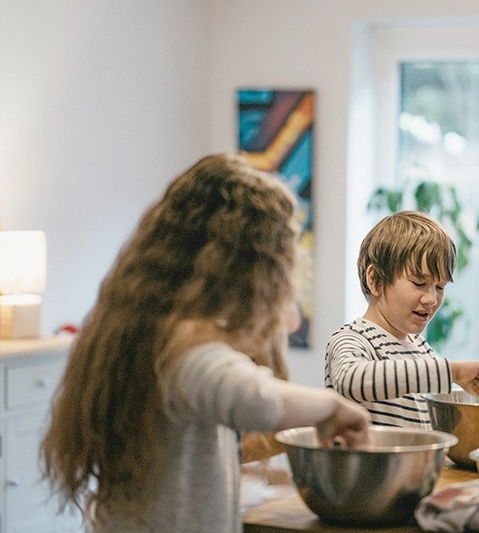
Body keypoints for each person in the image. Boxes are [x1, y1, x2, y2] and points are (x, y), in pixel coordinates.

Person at [41, 154, 370, 533]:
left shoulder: (142, 326)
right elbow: (254, 399)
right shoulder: (183, 348)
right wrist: (332, 407)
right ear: (245, 269)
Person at [325, 210, 479, 429]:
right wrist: (453, 371)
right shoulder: (352, 339)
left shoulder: (421, 347)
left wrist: (478, 395)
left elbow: (425, 394)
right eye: (419, 283)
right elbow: (351, 380)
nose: (432, 299)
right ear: (374, 280)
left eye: (440, 287)